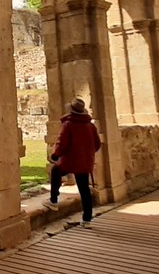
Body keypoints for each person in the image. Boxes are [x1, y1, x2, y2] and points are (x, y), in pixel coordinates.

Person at [44, 97, 102, 228]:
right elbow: (97, 145)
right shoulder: (90, 126)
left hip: (70, 160)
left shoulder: (68, 124)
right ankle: (87, 219)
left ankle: (53, 200)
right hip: (85, 162)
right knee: (84, 188)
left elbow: (61, 143)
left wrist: (55, 155)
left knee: (55, 171)